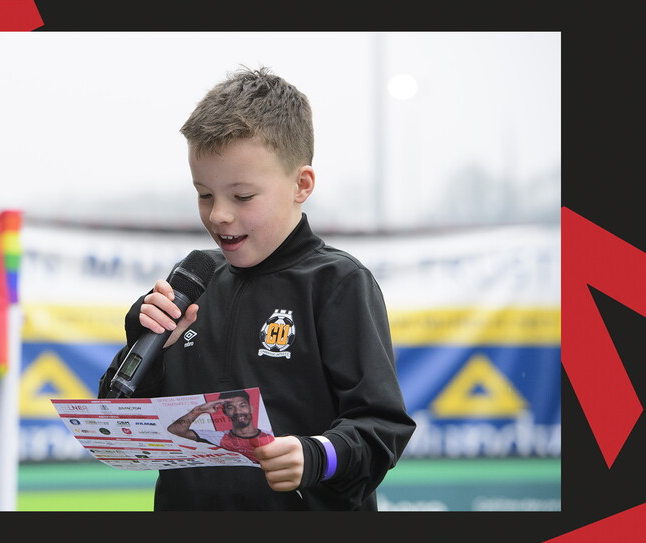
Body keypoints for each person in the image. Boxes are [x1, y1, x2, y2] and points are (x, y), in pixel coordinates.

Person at [98, 66, 415, 511]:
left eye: (242, 196)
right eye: (204, 194)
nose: (219, 215)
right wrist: (142, 351)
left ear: (301, 185)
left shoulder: (338, 283)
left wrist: (316, 455)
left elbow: (382, 427)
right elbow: (120, 426)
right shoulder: (192, 282)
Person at [166, 389, 274, 463]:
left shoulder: (269, 436)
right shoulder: (219, 437)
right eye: (231, 407)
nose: (238, 411)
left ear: (251, 408)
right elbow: (175, 430)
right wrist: (197, 411)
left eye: (243, 405)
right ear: (225, 412)